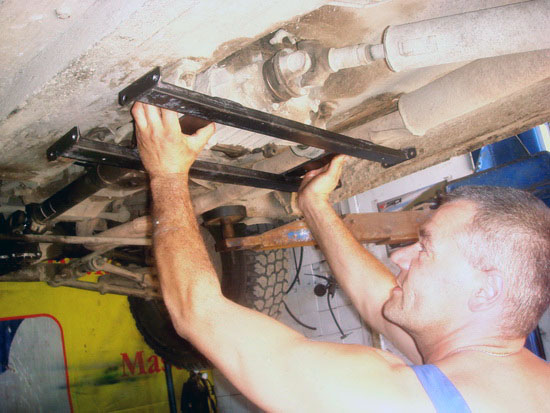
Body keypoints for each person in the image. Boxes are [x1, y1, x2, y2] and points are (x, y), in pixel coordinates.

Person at [131, 102, 550, 412]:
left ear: (486, 289)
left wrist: (167, 173)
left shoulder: (390, 401)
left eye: (425, 248)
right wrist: (315, 207)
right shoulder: (506, 374)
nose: (401, 256)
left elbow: (198, 313)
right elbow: (379, 300)